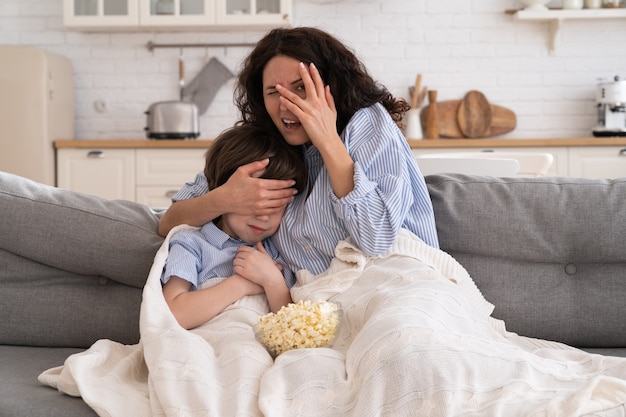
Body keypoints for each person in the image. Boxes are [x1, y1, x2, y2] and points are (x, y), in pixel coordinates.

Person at [158, 26, 439, 277]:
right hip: (315, 306)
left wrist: (328, 140)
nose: (286, 105)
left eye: (301, 88)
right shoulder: (268, 142)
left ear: (332, 87)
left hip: (395, 282)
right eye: (273, 92)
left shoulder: (366, 124)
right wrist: (226, 198)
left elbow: (376, 238)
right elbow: (168, 223)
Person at [161, 124, 308, 330]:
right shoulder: (192, 243)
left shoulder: (276, 252)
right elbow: (172, 314)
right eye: (254, 202)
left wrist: (273, 282)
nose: (263, 215)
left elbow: (294, 330)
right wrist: (242, 284)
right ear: (225, 193)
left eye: (275, 206)